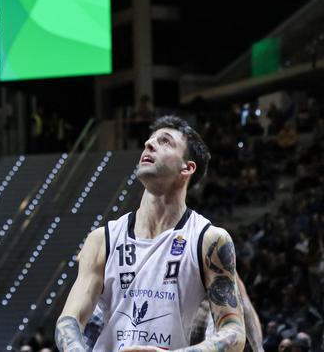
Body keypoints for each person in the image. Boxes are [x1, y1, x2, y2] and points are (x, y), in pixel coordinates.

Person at [55, 115, 246, 352]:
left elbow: (234, 333)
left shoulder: (209, 239)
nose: (149, 144)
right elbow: (69, 320)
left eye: (165, 141)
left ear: (187, 168)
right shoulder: (102, 239)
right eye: (149, 140)